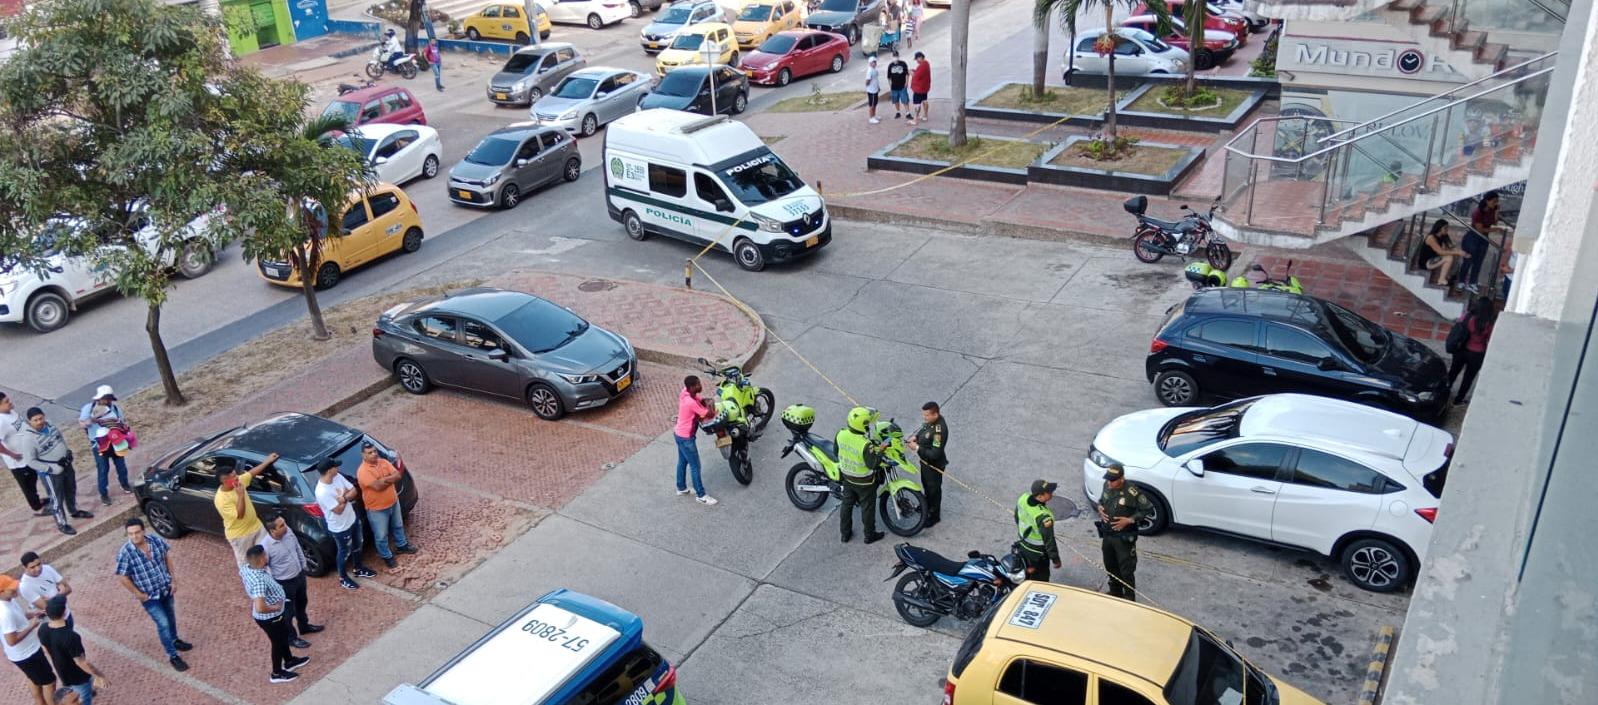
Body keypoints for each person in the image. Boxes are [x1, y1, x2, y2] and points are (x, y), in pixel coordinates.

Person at [113, 518, 190, 672]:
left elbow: (166, 556)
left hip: (165, 589)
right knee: (163, 624)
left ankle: (174, 640)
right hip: (149, 597)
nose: (134, 536)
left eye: (137, 532)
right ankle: (172, 655)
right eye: (130, 534)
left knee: (171, 617)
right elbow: (122, 576)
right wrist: (138, 594)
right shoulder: (125, 553)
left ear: (143, 531)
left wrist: (173, 579)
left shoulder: (155, 541)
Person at [18, 408, 93, 535]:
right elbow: (31, 461)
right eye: (35, 420)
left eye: (41, 418)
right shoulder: (28, 439)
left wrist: (67, 452)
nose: (39, 422)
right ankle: (61, 523)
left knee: (71, 489)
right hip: (51, 473)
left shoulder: (50, 425)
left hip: (66, 464)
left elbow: (60, 439)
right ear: (29, 422)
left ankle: (73, 511)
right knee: (56, 498)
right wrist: (51, 469)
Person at [241, 545, 309, 683]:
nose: (268, 556)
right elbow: (260, 607)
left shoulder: (246, 569)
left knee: (283, 637)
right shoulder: (259, 581)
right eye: (265, 555)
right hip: (270, 617)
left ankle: (289, 661)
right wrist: (276, 608)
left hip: (272, 616)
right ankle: (276, 673)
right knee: (277, 642)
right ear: (261, 560)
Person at [259, 516, 323, 648]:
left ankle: (304, 626)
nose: (286, 527)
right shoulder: (265, 547)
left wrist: (303, 565)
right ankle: (291, 638)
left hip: (299, 576)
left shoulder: (289, 533)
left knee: (302, 603)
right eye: (281, 525)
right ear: (272, 531)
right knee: (287, 613)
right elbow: (265, 569)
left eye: (284, 523)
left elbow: (297, 548)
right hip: (284, 584)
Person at [315, 459, 376, 590]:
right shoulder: (322, 492)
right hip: (340, 528)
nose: (337, 468)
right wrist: (346, 497)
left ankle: (358, 568)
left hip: (352, 519)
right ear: (329, 470)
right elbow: (338, 510)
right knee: (344, 552)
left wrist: (343, 498)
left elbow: (354, 490)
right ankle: (343, 578)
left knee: (358, 544)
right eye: (335, 467)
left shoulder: (337, 476)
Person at [214, 452, 282, 567]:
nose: (237, 478)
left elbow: (251, 473)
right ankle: (252, 583)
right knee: (247, 563)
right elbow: (239, 515)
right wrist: (240, 495)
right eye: (234, 477)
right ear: (225, 481)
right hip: (241, 536)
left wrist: (267, 461)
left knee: (267, 554)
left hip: (256, 527)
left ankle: (271, 579)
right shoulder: (221, 500)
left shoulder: (238, 481)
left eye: (236, 475)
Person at [357, 442, 417, 570]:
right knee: (381, 535)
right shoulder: (363, 471)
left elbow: (397, 475)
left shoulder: (383, 462)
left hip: (393, 502)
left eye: (374, 451)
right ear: (363, 455)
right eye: (370, 453)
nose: (374, 454)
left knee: (398, 525)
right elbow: (377, 487)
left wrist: (384, 480)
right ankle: (386, 556)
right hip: (377, 509)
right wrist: (389, 479)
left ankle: (402, 545)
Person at [1097, 464, 1152, 601]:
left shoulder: (1131, 492)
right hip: (1108, 535)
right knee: (1110, 564)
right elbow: (1101, 501)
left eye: (1113, 480)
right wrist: (1100, 508)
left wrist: (1129, 520)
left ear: (1122, 478)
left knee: (1126, 569)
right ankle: (1115, 592)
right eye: (1109, 479)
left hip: (1123, 538)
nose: (1109, 483)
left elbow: (1147, 509)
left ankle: (1129, 598)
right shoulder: (1107, 485)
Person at [37, 597, 103, 705]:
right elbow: (81, 662)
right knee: (84, 698)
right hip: (78, 676)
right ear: (64, 613)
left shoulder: (43, 629)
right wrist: (100, 676)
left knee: (75, 693)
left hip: (63, 673)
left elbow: (47, 651)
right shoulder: (71, 636)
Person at [1, 576, 54, 705]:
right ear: (1, 592)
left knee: (34, 679)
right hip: (27, 654)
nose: (15, 589)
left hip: (27, 651)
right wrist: (32, 625)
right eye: (10, 589)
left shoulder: (9, 600)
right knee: (49, 682)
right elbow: (11, 641)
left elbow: (19, 616)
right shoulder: (5, 613)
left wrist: (33, 614)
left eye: (14, 585)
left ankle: (39, 702)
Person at [837, 406, 886, 544]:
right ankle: (869, 535)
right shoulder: (865, 444)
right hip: (865, 482)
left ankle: (845, 534)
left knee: (846, 505)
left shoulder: (840, 434)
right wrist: (881, 451)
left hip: (847, 477)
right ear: (861, 425)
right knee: (867, 508)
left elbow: (836, 451)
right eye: (867, 424)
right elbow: (873, 464)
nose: (868, 426)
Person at [77, 386, 132, 506]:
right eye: (105, 398)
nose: (107, 401)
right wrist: (91, 420)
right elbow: (81, 423)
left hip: (116, 441)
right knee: (103, 469)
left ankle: (125, 484)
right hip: (99, 444)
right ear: (99, 398)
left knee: (121, 466)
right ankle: (104, 494)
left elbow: (122, 422)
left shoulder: (115, 408)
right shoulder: (89, 408)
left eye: (109, 399)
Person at [0, 393, 48, 516]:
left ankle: (40, 500)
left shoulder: (11, 412)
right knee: (28, 486)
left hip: (29, 454)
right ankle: (37, 506)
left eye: (8, 399)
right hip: (18, 462)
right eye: (6, 401)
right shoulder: (1, 422)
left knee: (35, 478)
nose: (10, 402)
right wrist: (12, 454)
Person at [674, 376, 718, 506]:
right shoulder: (690, 402)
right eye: (698, 384)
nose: (700, 385)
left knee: (682, 461)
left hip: (678, 434)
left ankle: (681, 488)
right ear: (692, 387)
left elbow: (700, 399)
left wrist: (705, 401)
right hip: (687, 438)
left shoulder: (686, 393)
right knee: (695, 466)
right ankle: (701, 495)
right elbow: (707, 414)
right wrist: (713, 409)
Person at [1449, 296, 1498, 405]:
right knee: (1468, 379)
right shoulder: (1489, 323)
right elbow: (1490, 339)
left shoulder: (1468, 316)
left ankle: (1446, 391)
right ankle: (1458, 400)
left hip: (1462, 349)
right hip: (1477, 354)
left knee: (1453, 372)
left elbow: (1458, 325)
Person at [905, 401, 947, 528]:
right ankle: (926, 505)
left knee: (934, 491)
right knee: (926, 486)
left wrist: (917, 448)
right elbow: (924, 431)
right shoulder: (930, 423)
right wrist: (916, 438)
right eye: (924, 415)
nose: (925, 418)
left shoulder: (939, 430)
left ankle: (934, 516)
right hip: (925, 463)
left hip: (934, 465)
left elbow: (935, 454)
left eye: (927, 415)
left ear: (935, 414)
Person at [1015, 480, 1061, 582]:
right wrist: (1055, 559)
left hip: (1023, 544)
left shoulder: (1023, 498)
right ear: (1040, 496)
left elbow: (1017, 517)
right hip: (1037, 553)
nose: (1052, 493)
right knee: (1041, 578)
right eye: (1049, 492)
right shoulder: (1043, 517)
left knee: (1028, 570)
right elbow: (1049, 540)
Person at [1461, 191, 1502, 294]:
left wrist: (1497, 211)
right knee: (1468, 260)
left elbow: (1494, 222)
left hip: (1483, 239)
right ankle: (1461, 281)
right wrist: (1495, 230)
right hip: (1473, 237)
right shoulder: (1477, 212)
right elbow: (1480, 229)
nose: (1495, 203)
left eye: (1497, 201)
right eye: (1494, 201)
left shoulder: (1492, 210)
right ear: (1487, 201)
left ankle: (1472, 283)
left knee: (1478, 262)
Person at [18, 553, 72, 629]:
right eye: (32, 567)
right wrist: (61, 591)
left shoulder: (47, 568)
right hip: (54, 625)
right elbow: (50, 609)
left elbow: (69, 589)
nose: (38, 568)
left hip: (67, 615)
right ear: (24, 567)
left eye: (39, 564)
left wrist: (53, 598)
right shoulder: (25, 586)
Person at [1421, 218, 1469, 287]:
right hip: (1426, 262)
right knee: (1449, 257)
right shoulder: (1431, 238)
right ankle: (1441, 279)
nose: (1447, 230)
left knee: (1455, 255)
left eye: (1447, 228)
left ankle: (1450, 276)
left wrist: (1462, 253)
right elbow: (1440, 252)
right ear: (1439, 228)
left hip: (1435, 259)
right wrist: (1457, 252)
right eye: (1445, 228)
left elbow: (1452, 247)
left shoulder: (1444, 236)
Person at [886, 50, 910, 120]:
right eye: (894, 56)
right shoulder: (890, 66)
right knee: (896, 100)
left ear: (898, 56)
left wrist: (907, 82)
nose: (895, 58)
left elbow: (907, 74)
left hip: (902, 85)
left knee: (905, 100)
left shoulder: (903, 64)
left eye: (896, 56)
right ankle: (898, 112)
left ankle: (908, 113)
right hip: (894, 87)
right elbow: (889, 77)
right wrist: (890, 85)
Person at [909, 51, 931, 125]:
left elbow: (916, 76)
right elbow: (920, 73)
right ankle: (925, 116)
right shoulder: (926, 64)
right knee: (924, 100)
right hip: (925, 87)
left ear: (920, 57)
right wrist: (915, 70)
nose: (916, 61)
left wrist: (911, 72)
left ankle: (915, 120)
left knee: (917, 104)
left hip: (919, 88)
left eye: (917, 59)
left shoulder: (922, 66)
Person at [864, 56, 881, 124]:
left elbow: (875, 79)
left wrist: (878, 87)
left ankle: (874, 115)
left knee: (875, 103)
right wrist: (869, 86)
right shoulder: (870, 71)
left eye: (875, 62)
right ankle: (871, 117)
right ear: (870, 63)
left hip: (875, 89)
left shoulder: (875, 70)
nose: (875, 63)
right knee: (872, 104)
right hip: (872, 90)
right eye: (874, 62)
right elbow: (867, 81)